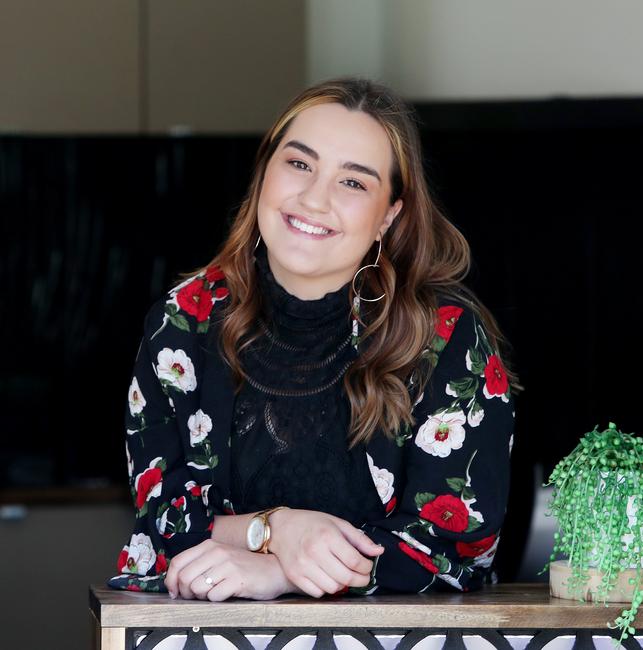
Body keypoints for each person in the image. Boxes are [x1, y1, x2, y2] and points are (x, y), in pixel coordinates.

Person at [107, 77, 518, 601]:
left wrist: (282, 574)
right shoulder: (185, 319)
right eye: (299, 164)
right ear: (264, 173)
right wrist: (277, 530)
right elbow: (160, 515)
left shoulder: (445, 338)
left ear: (388, 215)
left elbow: (458, 548)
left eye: (353, 182)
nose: (314, 198)